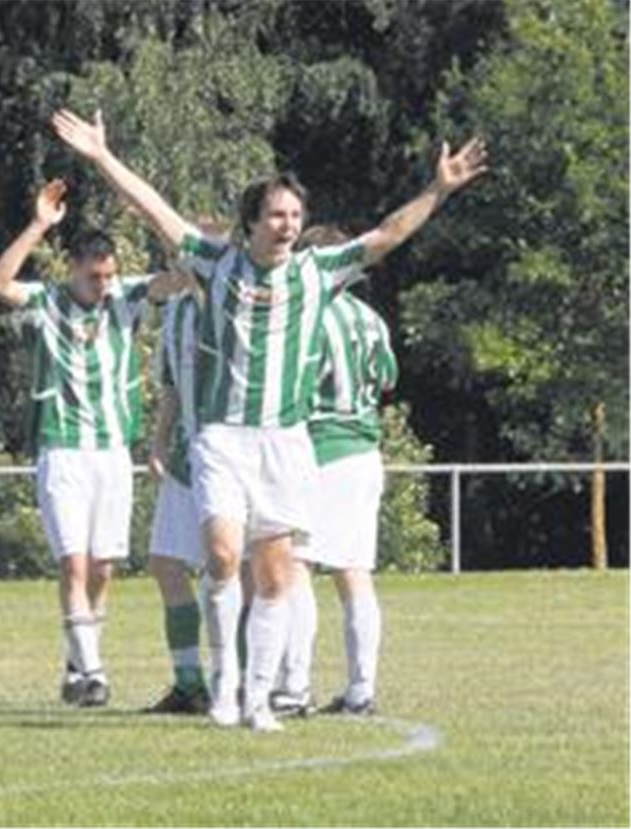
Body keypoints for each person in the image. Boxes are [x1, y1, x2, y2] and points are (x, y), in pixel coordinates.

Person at [51, 107, 486, 730]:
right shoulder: (214, 263)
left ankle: (258, 699)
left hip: (285, 442)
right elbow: (154, 209)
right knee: (223, 557)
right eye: (277, 215)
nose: (288, 225)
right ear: (252, 222)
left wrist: (437, 190)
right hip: (222, 438)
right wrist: (102, 156)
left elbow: (388, 234)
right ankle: (225, 684)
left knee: (276, 576)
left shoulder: (317, 271)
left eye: (295, 216)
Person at [0, 179, 188, 707]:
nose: (103, 285)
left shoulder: (128, 296)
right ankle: (95, 672)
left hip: (113, 451)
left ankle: (78, 663)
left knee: (103, 568)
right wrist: (39, 225)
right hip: (63, 448)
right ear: (72, 268)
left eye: (109, 275)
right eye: (94, 276)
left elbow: (186, 277)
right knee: (73, 564)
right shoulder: (48, 301)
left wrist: (149, 218)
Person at [271, 225, 398, 718]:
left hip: (320, 450)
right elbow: (387, 379)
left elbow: (293, 388)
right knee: (354, 573)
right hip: (364, 450)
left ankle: (294, 685)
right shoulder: (371, 320)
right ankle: (361, 688)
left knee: (295, 564)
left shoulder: (307, 318)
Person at [143, 281, 210, 714]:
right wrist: (160, 442)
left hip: (235, 450)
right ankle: (189, 683)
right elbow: (172, 386)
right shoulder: (178, 311)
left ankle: (246, 680)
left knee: (236, 571)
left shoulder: (238, 295)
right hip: (188, 454)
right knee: (166, 562)